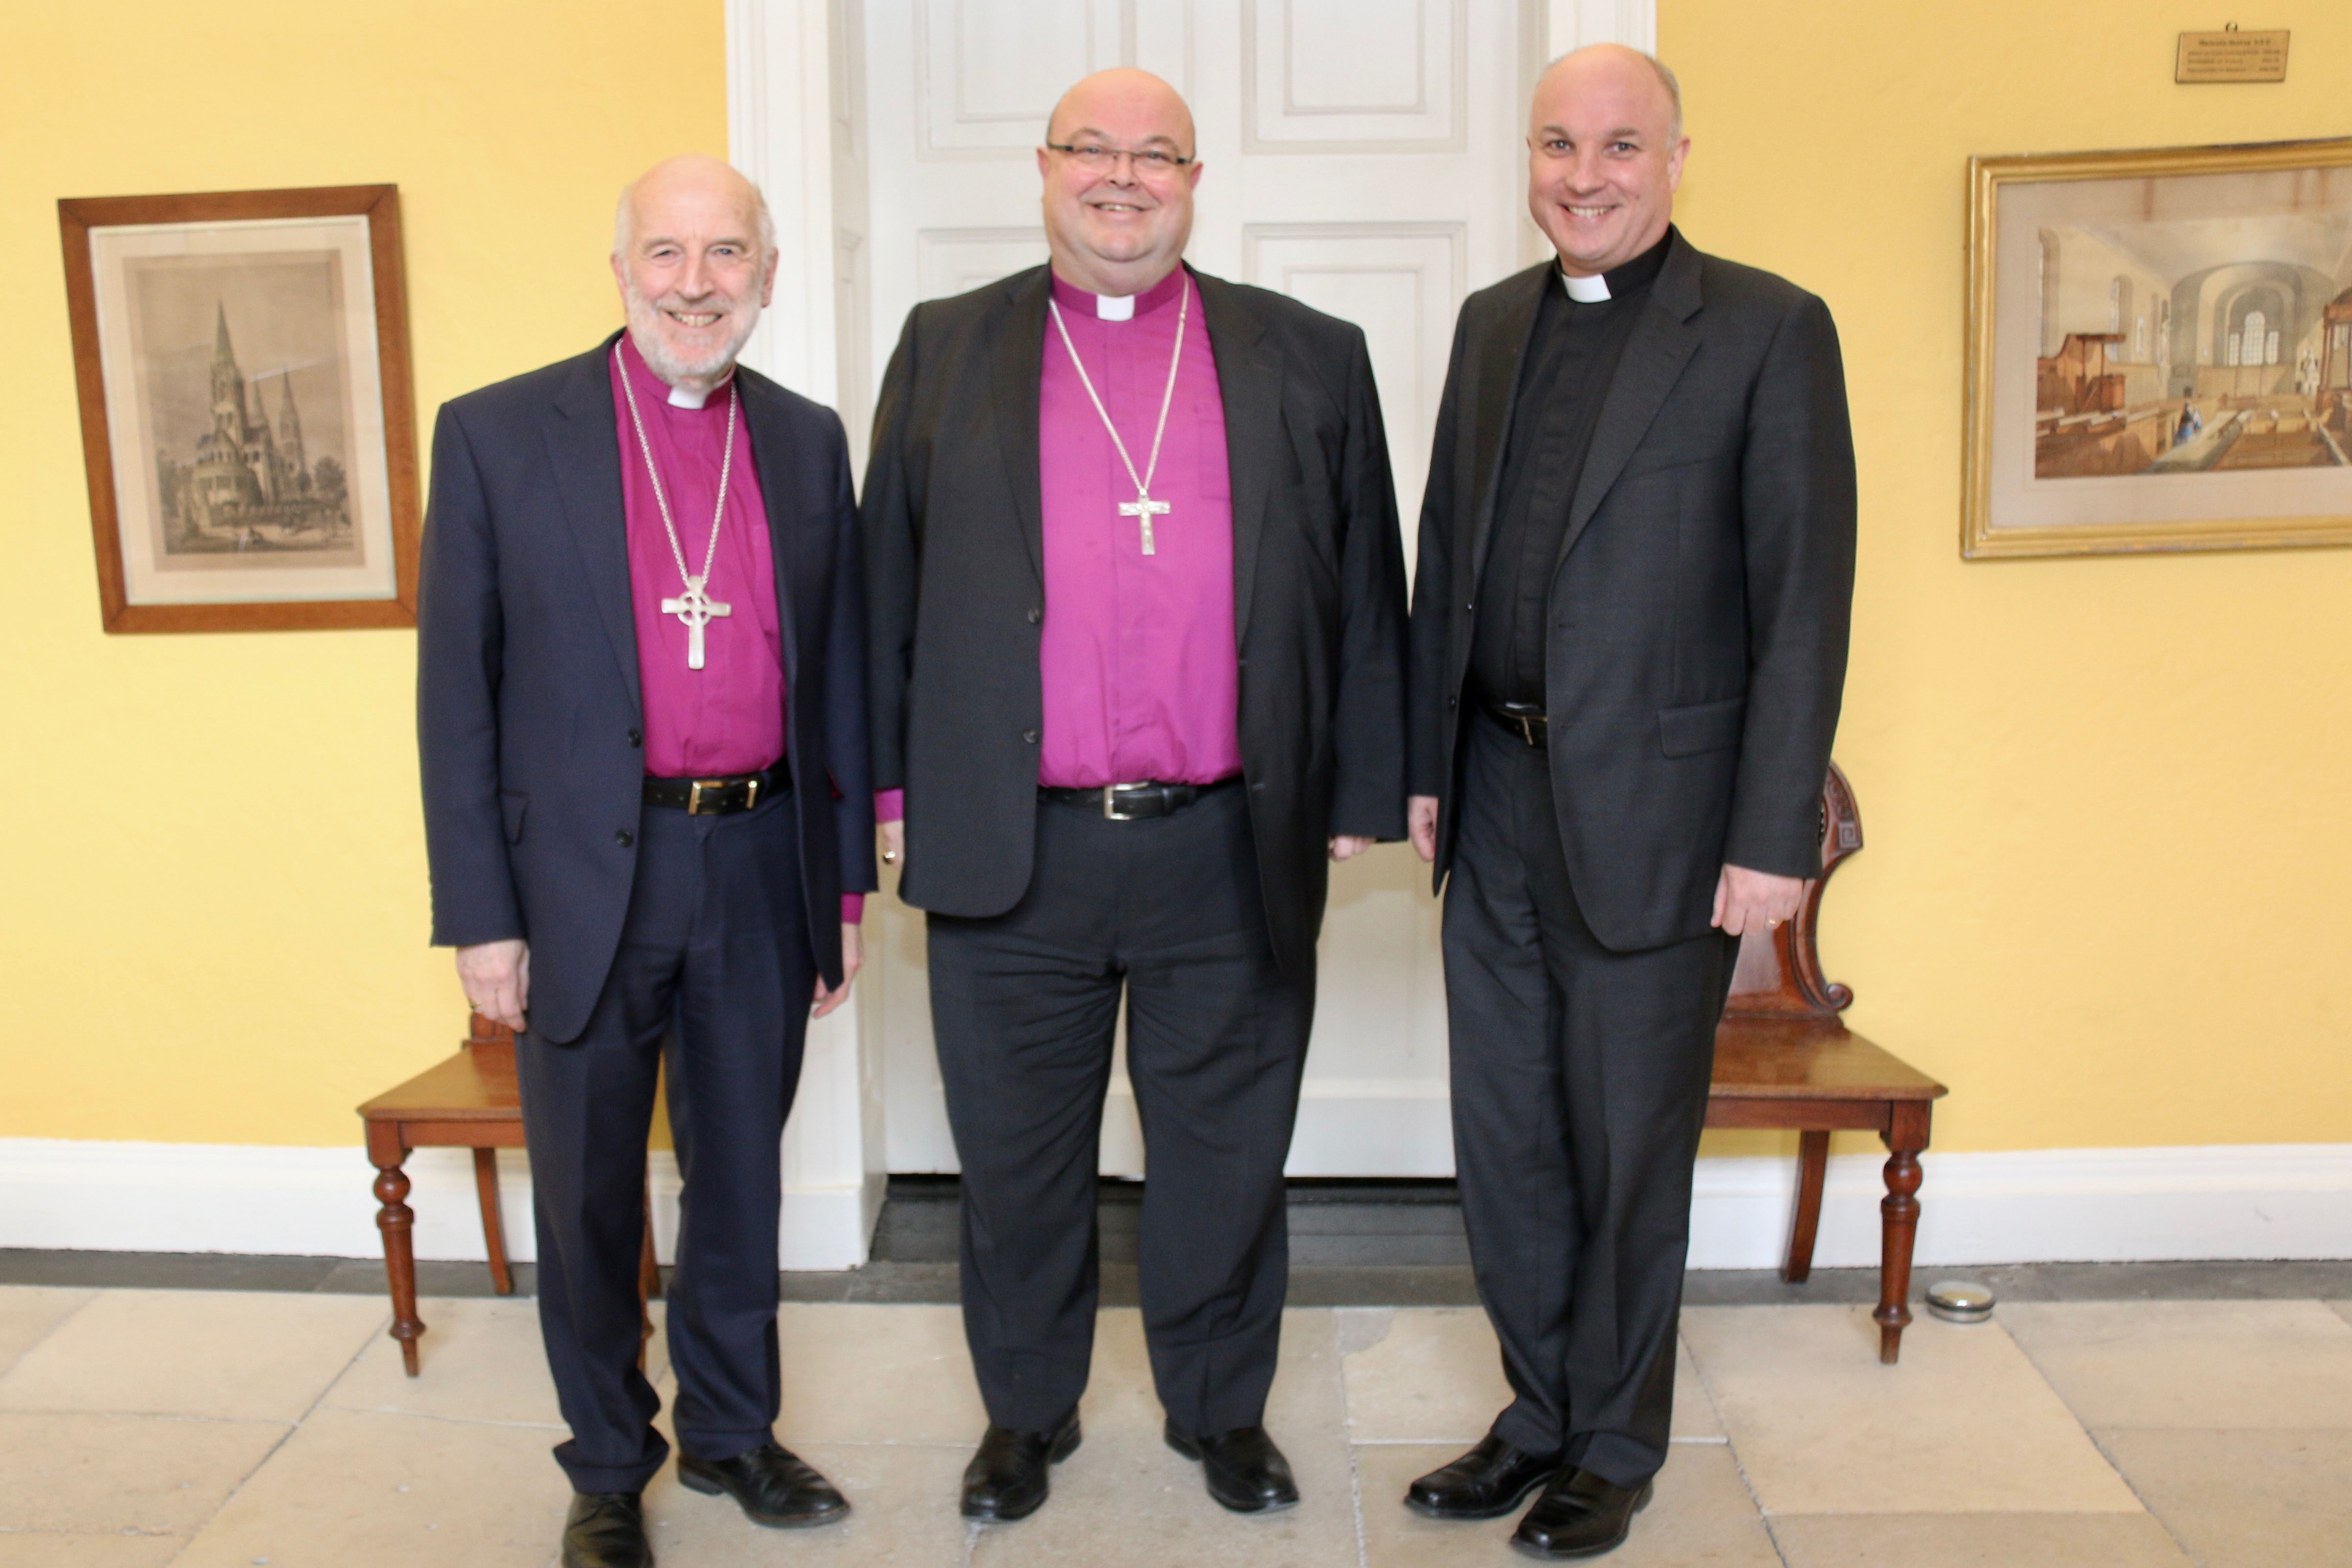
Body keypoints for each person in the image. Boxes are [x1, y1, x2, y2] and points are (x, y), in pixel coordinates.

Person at [863, 68, 1408, 1524]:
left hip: (1225, 840)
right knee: (1018, 1162)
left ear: (1195, 179)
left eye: (1153, 154)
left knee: (1226, 1156)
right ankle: (1024, 1417)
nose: (1122, 178)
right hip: (1012, 841)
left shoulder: (1308, 352)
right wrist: (891, 785)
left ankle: (1222, 1410)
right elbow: (887, 586)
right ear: (1043, 172)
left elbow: (1367, 590)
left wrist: (1363, 776)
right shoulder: (948, 344)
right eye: (1092, 153)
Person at [1403, 46, 1856, 1559]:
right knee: (1510, 1136)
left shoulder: (1768, 330)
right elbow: (1443, 562)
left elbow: (1804, 600)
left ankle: (1615, 1439)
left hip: (1664, 819)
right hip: (1493, 791)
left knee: (1627, 1143)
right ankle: (1535, 1414)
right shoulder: (1487, 327)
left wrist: (1771, 833)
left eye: (1615, 146)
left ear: (1674, 157)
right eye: (1555, 145)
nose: (1581, 176)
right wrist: (1421, 763)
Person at [416, 155, 875, 1568]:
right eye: (667, 252)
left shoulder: (805, 441)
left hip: (757, 861)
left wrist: (841, 886)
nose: (697, 282)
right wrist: (483, 919)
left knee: (740, 1176)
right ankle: (610, 1462)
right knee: (592, 1190)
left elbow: (842, 678)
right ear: (619, 268)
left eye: (726, 252)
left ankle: (735, 1433)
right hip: (578, 886)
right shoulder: (499, 433)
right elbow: (456, 694)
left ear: (768, 275)